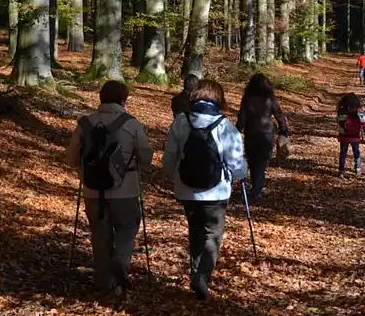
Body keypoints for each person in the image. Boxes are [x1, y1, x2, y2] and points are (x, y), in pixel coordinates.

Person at [65, 81, 153, 296]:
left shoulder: (85, 123)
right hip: (126, 189)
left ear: (101, 99)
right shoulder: (131, 123)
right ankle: (121, 260)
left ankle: (104, 281)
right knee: (127, 226)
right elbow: (146, 158)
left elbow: (71, 159)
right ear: (125, 100)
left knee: (100, 232)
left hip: (93, 189)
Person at [162, 79, 247, 300]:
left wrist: (173, 177)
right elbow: (237, 165)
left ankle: (196, 272)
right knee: (212, 234)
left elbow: (169, 156)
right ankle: (202, 275)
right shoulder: (225, 125)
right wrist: (240, 175)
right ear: (219, 99)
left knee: (195, 231)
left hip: (186, 189)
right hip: (216, 191)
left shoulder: (181, 121)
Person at [236, 74, 289, 205]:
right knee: (261, 163)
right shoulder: (270, 99)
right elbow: (279, 115)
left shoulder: (247, 99)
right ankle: (256, 191)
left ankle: (255, 188)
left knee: (253, 162)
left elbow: (242, 117)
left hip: (251, 134)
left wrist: (237, 131)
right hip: (266, 134)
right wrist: (284, 131)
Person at [336, 93, 365, 178]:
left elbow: (338, 122)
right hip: (355, 137)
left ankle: (341, 170)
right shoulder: (359, 114)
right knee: (356, 153)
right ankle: (358, 169)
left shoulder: (341, 114)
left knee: (343, 153)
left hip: (343, 137)